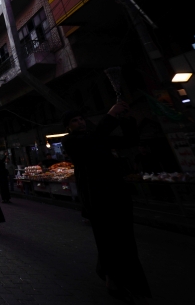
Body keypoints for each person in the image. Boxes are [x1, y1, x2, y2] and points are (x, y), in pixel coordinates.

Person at [61, 103, 151, 304]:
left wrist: (126, 120)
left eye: (81, 119)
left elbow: (129, 140)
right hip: (96, 195)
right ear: (68, 126)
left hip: (116, 191)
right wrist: (110, 116)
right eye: (75, 121)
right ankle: (111, 279)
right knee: (107, 237)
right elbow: (94, 139)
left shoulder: (96, 137)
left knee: (124, 237)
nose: (80, 122)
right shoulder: (71, 141)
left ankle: (126, 278)